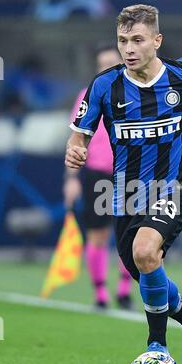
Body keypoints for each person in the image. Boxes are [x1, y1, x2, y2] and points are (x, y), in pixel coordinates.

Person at [65, 4, 182, 364]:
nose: (129, 48)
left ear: (156, 41)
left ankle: (156, 346)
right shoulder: (104, 85)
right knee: (145, 270)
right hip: (125, 196)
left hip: (172, 188)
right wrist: (75, 151)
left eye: (137, 40)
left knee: (147, 254)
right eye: (123, 40)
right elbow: (80, 135)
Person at [63, 46, 133, 309]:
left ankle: (124, 290)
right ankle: (100, 293)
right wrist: (71, 179)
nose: (105, 68)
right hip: (97, 175)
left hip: (128, 173)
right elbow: (77, 140)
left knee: (129, 234)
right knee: (98, 234)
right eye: (101, 63)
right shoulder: (87, 95)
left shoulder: (135, 93)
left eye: (110, 62)